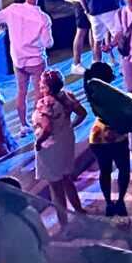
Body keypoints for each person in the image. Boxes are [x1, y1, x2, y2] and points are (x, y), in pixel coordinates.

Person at [0, 0, 55, 135]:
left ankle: (23, 125)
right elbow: (48, 43)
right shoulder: (43, 18)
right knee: (39, 93)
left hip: (18, 60)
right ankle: (38, 123)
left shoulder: (13, 10)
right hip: (36, 60)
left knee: (21, 92)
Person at [32, 69, 89, 233]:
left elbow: (47, 128)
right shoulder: (67, 96)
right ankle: (79, 210)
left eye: (42, 83)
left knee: (55, 188)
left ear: (47, 87)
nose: (39, 84)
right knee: (67, 179)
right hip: (66, 140)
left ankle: (64, 224)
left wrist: (39, 142)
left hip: (50, 146)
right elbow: (82, 113)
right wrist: (70, 126)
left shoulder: (45, 104)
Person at [85, 61, 132, 216]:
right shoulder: (111, 94)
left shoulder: (92, 93)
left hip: (98, 136)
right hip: (116, 135)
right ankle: (120, 201)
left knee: (104, 171)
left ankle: (108, 203)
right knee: (123, 169)